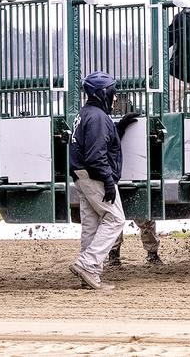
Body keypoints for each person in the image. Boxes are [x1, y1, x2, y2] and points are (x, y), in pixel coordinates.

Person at [69, 72, 128, 290]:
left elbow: (96, 143)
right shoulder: (98, 118)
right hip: (96, 177)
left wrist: (118, 128)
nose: (115, 98)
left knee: (91, 225)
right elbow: (96, 155)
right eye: (113, 93)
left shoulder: (86, 114)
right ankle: (88, 264)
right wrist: (109, 181)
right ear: (103, 93)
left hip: (82, 177)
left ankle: (88, 275)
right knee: (115, 219)